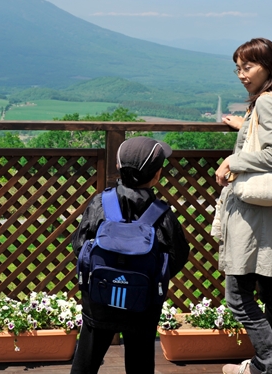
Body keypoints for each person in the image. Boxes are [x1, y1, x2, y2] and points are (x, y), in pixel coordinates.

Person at [70, 136, 189, 374]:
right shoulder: (162, 214)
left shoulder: (100, 203)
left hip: (99, 300)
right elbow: (178, 256)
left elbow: (79, 245)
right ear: (157, 176)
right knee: (140, 363)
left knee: (86, 361)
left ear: (117, 167)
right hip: (142, 305)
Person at [215, 38, 272, 374]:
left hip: (254, 215)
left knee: (237, 294)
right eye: (238, 68)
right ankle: (264, 366)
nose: (241, 74)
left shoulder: (264, 102)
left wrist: (234, 158)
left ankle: (268, 365)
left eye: (248, 66)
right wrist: (243, 126)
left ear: (269, 66)